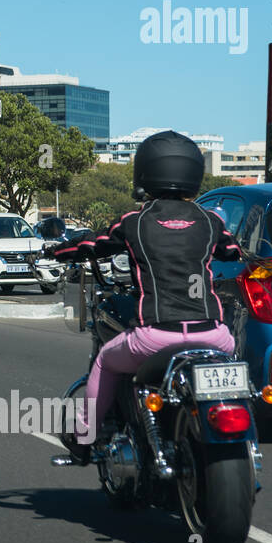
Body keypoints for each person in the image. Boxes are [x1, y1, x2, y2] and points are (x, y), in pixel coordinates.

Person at [46, 131, 244, 464]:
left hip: (156, 335)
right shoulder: (210, 222)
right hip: (213, 335)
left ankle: (84, 436)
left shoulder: (135, 222)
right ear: (193, 174)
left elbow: (90, 245)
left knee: (105, 361)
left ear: (144, 174)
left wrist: (55, 250)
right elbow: (234, 252)